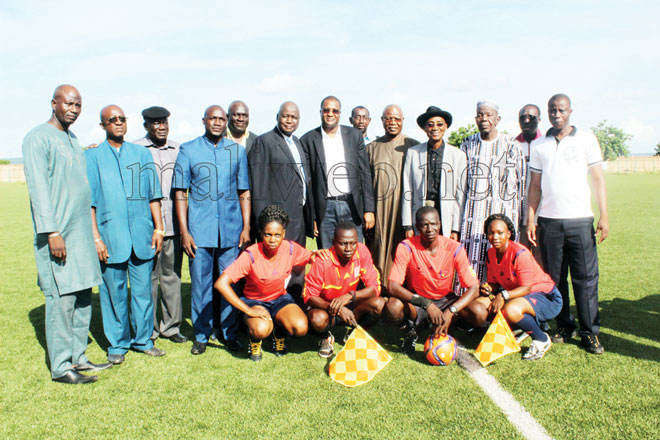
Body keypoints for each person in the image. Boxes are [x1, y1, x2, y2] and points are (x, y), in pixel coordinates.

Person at [23, 84, 110, 384]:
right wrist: (52, 231)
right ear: (54, 104)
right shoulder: (37, 138)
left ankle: (78, 357)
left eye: (78, 105)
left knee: (83, 294)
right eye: (69, 103)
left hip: (81, 233)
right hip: (58, 234)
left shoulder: (72, 139)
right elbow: (39, 189)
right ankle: (61, 366)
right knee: (62, 298)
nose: (73, 109)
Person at [527, 94, 609, 354]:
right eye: (552, 110)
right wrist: (531, 219)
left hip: (580, 220)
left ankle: (589, 333)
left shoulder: (586, 140)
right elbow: (535, 186)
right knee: (556, 279)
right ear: (547, 113)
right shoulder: (539, 145)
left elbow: (597, 179)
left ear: (570, 111)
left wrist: (603, 215)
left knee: (585, 279)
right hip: (549, 222)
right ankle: (565, 326)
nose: (556, 113)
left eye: (561, 109)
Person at [86, 104, 166, 365]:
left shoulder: (141, 155)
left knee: (143, 292)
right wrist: (96, 238)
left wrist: (159, 228)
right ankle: (118, 344)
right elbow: (90, 203)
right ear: (103, 125)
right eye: (113, 119)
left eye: (122, 118)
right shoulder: (93, 157)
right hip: (110, 238)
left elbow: (154, 195)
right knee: (114, 294)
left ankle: (143, 341)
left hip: (142, 237)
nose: (119, 123)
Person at [173, 105, 250, 355]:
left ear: (226, 122)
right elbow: (180, 193)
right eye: (212, 118)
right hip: (199, 231)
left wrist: (246, 226)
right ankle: (201, 334)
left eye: (221, 119)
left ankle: (229, 333)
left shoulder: (237, 152)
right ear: (204, 120)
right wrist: (184, 231)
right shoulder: (189, 150)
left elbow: (244, 191)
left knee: (231, 283)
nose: (217, 122)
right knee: (201, 285)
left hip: (230, 230)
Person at [215, 205, 327, 362]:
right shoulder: (251, 255)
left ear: (283, 234)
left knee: (301, 327)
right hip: (255, 301)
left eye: (277, 235)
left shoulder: (290, 248)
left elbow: (310, 257)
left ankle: (278, 332)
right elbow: (221, 284)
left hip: (280, 299)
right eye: (268, 235)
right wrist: (248, 310)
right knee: (261, 329)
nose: (273, 240)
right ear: (261, 234)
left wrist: (317, 254)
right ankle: (255, 340)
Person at [384, 207, 482, 354]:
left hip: (445, 300)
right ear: (417, 227)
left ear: (440, 224)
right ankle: (411, 329)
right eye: (424, 225)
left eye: (434, 224)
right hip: (418, 301)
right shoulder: (406, 247)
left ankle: (450, 324)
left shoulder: (454, 248)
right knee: (392, 308)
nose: (430, 229)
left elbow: (474, 288)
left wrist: (450, 312)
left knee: (479, 312)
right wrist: (426, 304)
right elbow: (392, 286)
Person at [133, 106, 187, 343]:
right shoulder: (135, 149)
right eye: (156, 123)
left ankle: (171, 327)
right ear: (146, 125)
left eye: (164, 122)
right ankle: (150, 329)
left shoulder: (178, 149)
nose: (161, 126)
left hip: (174, 225)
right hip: (147, 227)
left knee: (172, 277)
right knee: (148, 279)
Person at [249, 101, 311, 302]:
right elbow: (258, 185)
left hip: (298, 217)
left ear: (298, 120)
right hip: (277, 221)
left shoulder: (297, 143)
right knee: (276, 269)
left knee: (297, 266)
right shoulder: (264, 142)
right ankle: (272, 310)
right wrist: (265, 223)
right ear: (277, 116)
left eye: (294, 117)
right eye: (285, 116)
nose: (289, 120)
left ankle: (294, 307)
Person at [459, 101, 527, 284]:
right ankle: (471, 304)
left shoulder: (512, 146)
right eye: (480, 115)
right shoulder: (467, 144)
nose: (484, 118)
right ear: (475, 119)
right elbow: (460, 185)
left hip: (503, 214)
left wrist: (522, 219)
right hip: (473, 216)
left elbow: (521, 185)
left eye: (488, 115)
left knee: (502, 260)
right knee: (471, 260)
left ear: (497, 119)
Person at [479, 214, 562, 360]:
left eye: (500, 233)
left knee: (511, 309)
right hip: (520, 297)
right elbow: (495, 283)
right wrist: (488, 288)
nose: (495, 237)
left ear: (509, 234)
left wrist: (502, 296)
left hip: (546, 296)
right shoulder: (491, 254)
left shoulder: (519, 253)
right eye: (491, 233)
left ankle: (541, 339)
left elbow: (526, 288)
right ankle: (520, 327)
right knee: (479, 306)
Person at [301, 96, 375, 249]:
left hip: (352, 206)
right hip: (325, 208)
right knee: (327, 256)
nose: (330, 114)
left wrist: (369, 209)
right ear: (320, 112)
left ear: (340, 113)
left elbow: (364, 174)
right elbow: (308, 182)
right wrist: (312, 216)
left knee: (353, 255)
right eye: (326, 110)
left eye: (334, 110)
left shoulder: (354, 136)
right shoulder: (308, 139)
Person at [303, 222, 385, 358]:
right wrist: (337, 308)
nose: (349, 248)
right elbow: (309, 296)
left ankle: (353, 335)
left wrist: (350, 296)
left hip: (352, 306)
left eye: (353, 243)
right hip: (327, 310)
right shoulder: (323, 260)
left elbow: (375, 287)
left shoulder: (362, 251)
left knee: (380, 304)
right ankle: (325, 337)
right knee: (317, 319)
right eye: (343, 243)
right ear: (334, 242)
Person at [366, 104, 419, 290]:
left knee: (403, 249)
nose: (393, 122)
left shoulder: (413, 146)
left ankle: (403, 291)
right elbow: (365, 183)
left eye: (397, 119)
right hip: (380, 210)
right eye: (389, 118)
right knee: (379, 248)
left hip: (404, 210)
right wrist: (369, 210)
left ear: (403, 121)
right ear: (382, 120)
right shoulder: (371, 148)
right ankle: (380, 290)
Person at [402, 106, 467, 241]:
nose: (435, 128)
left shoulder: (458, 155)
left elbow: (460, 194)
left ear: (446, 126)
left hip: (446, 216)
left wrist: (456, 228)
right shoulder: (413, 153)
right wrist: (408, 225)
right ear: (425, 128)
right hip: (421, 213)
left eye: (439, 124)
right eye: (430, 125)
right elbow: (407, 190)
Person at [515, 104, 544, 264]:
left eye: (531, 117)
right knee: (521, 257)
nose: (526, 121)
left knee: (540, 258)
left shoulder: (546, 143)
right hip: (519, 213)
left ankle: (541, 290)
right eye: (522, 118)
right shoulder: (512, 145)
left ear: (539, 119)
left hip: (542, 212)